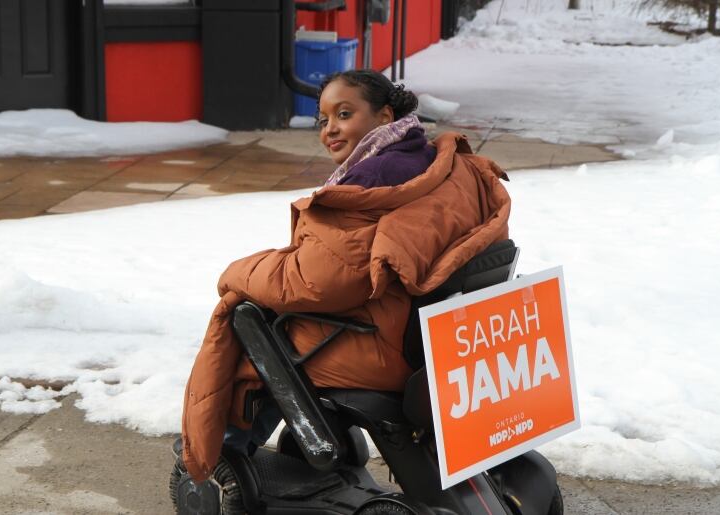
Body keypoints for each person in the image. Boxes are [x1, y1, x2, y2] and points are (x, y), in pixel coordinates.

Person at [181, 69, 511, 482]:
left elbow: (314, 281)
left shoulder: (370, 182)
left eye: (344, 114)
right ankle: (305, 440)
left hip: (381, 346)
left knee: (251, 324)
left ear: (384, 116)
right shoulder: (433, 161)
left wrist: (236, 273)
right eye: (323, 120)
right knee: (268, 314)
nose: (330, 130)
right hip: (424, 333)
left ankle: (225, 452)